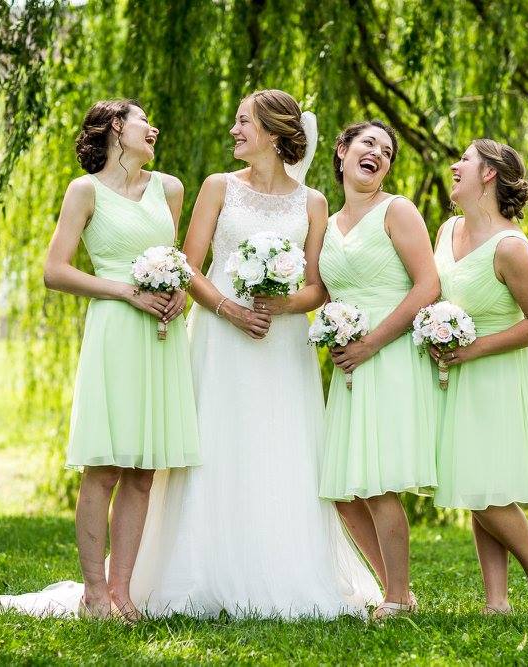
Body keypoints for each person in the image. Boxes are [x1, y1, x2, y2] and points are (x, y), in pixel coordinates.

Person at [129, 90, 381, 618]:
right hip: (221, 338)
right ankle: (202, 568)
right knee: (218, 439)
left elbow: (318, 288)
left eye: (243, 121)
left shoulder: (312, 202)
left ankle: (284, 568)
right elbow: (188, 265)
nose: (234, 130)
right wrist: (230, 310)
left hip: (282, 343)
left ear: (271, 131)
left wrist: (281, 305)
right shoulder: (218, 187)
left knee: (281, 444)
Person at [0, 99, 201, 621]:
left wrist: (179, 290)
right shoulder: (84, 192)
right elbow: (55, 271)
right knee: (104, 466)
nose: (153, 128)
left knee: (144, 469)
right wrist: (125, 291)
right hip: (115, 330)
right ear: (115, 127)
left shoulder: (170, 189)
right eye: (142, 120)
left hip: (160, 335)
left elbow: (175, 260)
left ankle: (122, 591)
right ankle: (94, 594)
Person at [429, 139, 528, 617]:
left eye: (465, 160)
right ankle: (496, 602)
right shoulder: (447, 230)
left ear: (488, 173)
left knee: (483, 485)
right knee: (476, 485)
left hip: (498, 373)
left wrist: (472, 349)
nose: (455, 166)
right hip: (457, 373)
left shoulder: (510, 247)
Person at [317, 120, 440, 620]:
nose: (378, 154)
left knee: (377, 480)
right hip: (349, 363)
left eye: (387, 151)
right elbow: (321, 291)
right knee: (343, 492)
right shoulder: (326, 224)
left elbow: (427, 285)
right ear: (342, 151)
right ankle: (396, 590)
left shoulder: (397, 211)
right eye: (369, 143)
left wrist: (372, 343)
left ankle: (397, 596)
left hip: (388, 355)